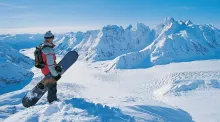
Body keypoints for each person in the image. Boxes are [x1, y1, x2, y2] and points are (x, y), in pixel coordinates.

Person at [39, 30, 61, 103]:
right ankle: (52, 103)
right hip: (49, 70)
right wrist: (55, 75)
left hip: (44, 69)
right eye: (53, 37)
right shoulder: (48, 50)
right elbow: (50, 65)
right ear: (50, 38)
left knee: (51, 86)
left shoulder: (43, 47)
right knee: (52, 87)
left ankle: (51, 100)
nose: (53, 39)